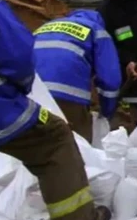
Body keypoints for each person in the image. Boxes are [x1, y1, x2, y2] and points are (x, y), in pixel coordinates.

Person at [0, 0, 112, 220]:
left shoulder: (50, 26)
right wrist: (108, 109)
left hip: (45, 88)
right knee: (55, 139)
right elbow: (17, 54)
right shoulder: (95, 30)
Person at [32, 10, 122, 143]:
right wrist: (107, 111)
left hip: (34, 94)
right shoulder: (96, 30)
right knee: (78, 144)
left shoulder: (43, 28)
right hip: (67, 94)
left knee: (40, 145)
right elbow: (110, 80)